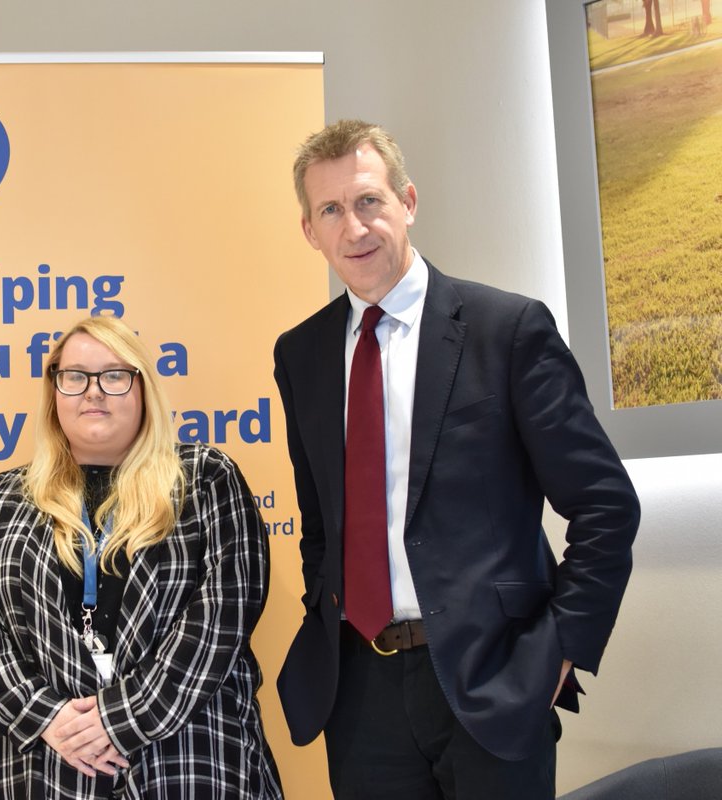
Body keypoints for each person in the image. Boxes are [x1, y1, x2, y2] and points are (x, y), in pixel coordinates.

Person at [273, 120, 640, 799]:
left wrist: (558, 652)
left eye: (368, 201)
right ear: (310, 230)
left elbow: (606, 505)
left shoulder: (508, 331)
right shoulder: (302, 356)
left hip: (491, 682)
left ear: (407, 202)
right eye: (331, 210)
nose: (354, 227)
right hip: (359, 696)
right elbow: (321, 524)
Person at [0, 315, 283, 799]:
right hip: (43, 767)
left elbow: (221, 620)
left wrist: (120, 717)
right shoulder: (5, 499)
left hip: (185, 760)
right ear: (54, 392)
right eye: (75, 377)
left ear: (142, 388)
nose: (94, 392)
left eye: (114, 375)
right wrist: (47, 718)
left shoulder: (205, 480)